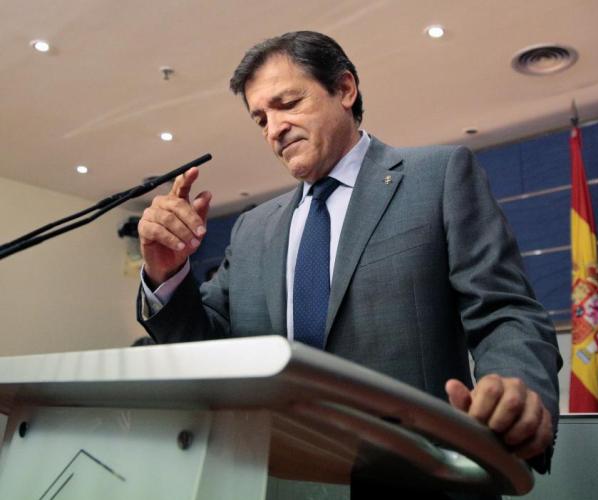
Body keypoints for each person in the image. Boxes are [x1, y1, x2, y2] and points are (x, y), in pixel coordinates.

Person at [136, 31, 561, 498]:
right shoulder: (252, 229)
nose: (274, 129)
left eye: (287, 103)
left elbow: (505, 312)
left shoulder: (437, 178)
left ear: (344, 89)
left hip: (417, 482)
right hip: (275, 481)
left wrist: (518, 394)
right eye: (261, 119)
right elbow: (208, 347)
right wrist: (166, 274)